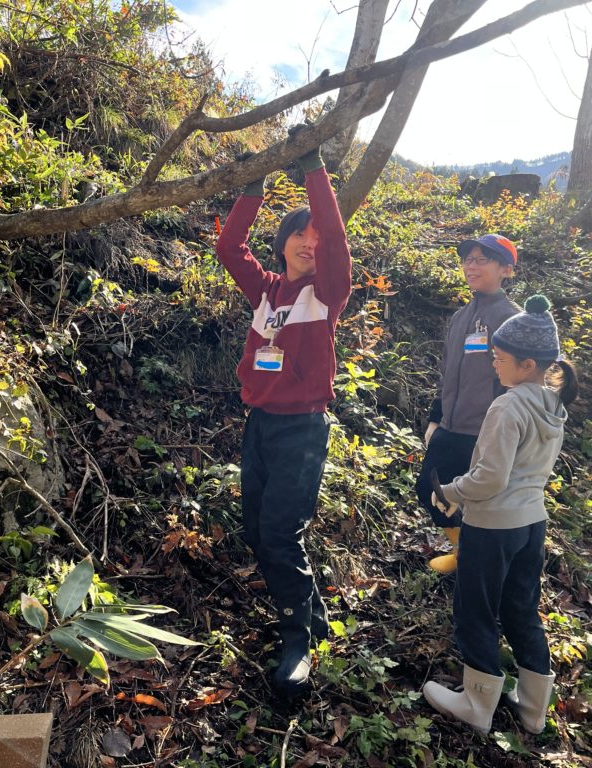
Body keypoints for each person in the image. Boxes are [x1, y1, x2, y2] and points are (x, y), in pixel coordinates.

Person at [215, 130, 351, 700]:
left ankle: (298, 641)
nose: (308, 241)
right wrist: (253, 189)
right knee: (255, 531)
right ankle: (312, 615)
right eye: (298, 232)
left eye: (315, 235)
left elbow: (335, 238)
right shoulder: (266, 292)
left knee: (279, 533)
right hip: (261, 426)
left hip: (302, 429)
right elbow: (229, 248)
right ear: (282, 243)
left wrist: (313, 170)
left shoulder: (328, 293)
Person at [421, 295, 578, 735]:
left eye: (500, 358)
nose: (494, 363)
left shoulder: (508, 405)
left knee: (476, 608)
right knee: (521, 608)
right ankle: (533, 708)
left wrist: (450, 491)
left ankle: (477, 703)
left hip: (492, 525)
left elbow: (489, 478)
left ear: (527, 364)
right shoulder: (553, 404)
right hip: (531, 523)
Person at [418, 234, 520, 574]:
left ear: (506, 270)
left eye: (481, 260)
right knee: (430, 489)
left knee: (481, 503)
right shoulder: (461, 316)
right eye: (468, 260)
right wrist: (436, 418)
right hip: (450, 426)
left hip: (485, 430)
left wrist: (505, 430)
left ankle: (481, 565)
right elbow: (448, 371)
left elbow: (519, 381)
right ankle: (464, 551)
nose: (471, 266)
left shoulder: (512, 320)